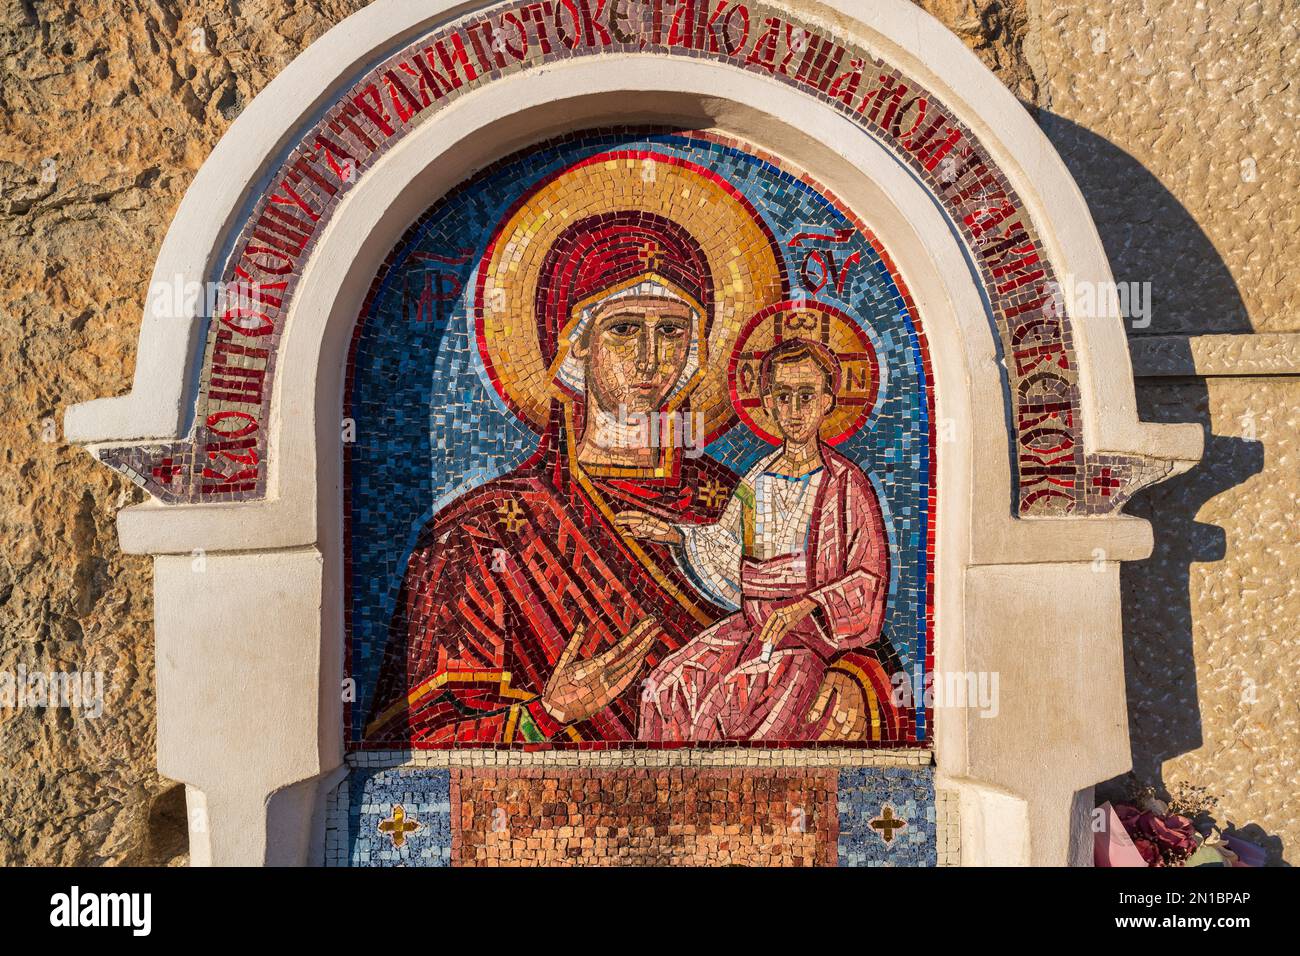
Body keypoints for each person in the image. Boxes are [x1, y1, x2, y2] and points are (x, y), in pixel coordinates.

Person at [365, 212, 881, 745]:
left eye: (673, 331)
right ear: (577, 343)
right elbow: (414, 743)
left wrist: (850, 684)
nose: (649, 358)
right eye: (624, 328)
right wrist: (546, 714)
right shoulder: (481, 534)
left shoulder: (735, 496)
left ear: (695, 351)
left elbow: (847, 612)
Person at [619, 338, 889, 742]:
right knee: (665, 688)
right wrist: (671, 532)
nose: (795, 411)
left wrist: (806, 605)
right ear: (768, 403)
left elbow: (867, 579)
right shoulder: (757, 478)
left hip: (807, 641)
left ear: (827, 402)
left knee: (730, 703)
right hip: (751, 628)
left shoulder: (846, 485)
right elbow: (728, 548)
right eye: (783, 396)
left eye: (806, 396)